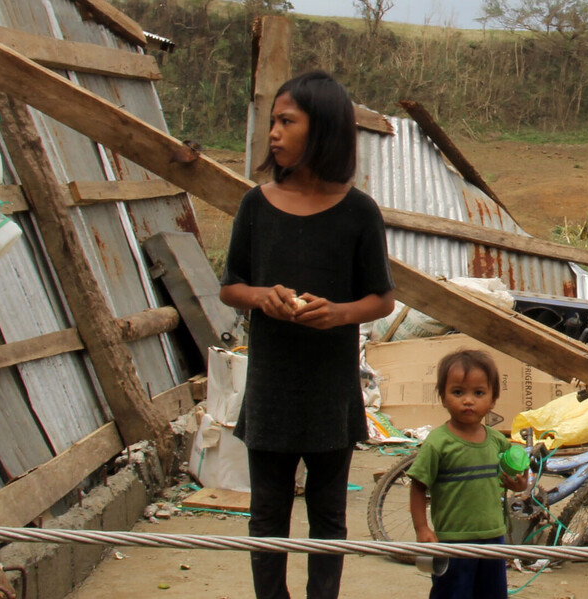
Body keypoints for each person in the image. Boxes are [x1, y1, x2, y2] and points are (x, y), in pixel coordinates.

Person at [218, 70, 396, 599]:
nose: (272, 132)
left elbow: (381, 299)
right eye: (273, 121)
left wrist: (338, 313)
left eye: (285, 121)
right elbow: (232, 287)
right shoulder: (256, 205)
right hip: (271, 387)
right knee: (267, 515)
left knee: (328, 516)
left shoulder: (359, 212)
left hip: (328, 393)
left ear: (322, 130)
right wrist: (261, 297)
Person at [406, 350, 529, 599]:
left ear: (493, 399)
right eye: (458, 392)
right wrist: (422, 528)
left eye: (479, 393)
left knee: (492, 593)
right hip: (453, 541)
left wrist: (520, 485)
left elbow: (516, 474)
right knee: (453, 593)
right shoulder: (438, 443)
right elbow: (418, 486)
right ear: (443, 397)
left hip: (493, 537)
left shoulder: (497, 442)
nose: (468, 401)